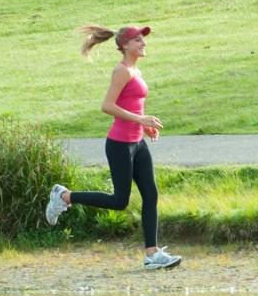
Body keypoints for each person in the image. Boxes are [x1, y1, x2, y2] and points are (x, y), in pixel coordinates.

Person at [45, 24, 182, 270]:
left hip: (137, 142)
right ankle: (64, 196)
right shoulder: (122, 71)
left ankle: (152, 254)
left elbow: (132, 105)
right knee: (120, 201)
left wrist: (144, 127)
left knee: (150, 194)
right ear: (125, 45)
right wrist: (141, 120)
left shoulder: (135, 71)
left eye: (143, 40)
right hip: (119, 144)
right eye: (138, 40)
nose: (144, 44)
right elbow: (107, 106)